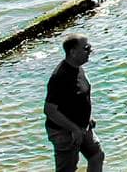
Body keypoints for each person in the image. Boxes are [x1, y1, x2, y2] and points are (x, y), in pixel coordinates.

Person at [44, 33, 104, 172]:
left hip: (82, 127)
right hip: (64, 132)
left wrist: (87, 118)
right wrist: (74, 129)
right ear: (72, 52)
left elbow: (80, 97)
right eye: (86, 48)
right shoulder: (60, 77)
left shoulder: (78, 68)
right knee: (67, 169)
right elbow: (50, 110)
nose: (90, 51)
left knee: (97, 155)